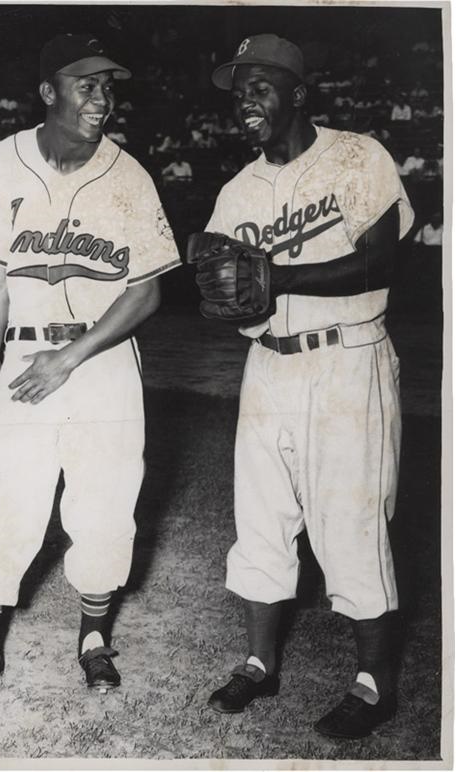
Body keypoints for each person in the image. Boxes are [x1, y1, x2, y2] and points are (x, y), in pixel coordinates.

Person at [0, 33, 181, 692]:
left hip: (103, 358)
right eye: (87, 85)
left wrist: (71, 358)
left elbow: (147, 290)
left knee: (106, 505)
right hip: (26, 357)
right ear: (48, 91)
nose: (103, 99)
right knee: (2, 500)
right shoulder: (0, 165)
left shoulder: (129, 174)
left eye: (109, 86)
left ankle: (93, 640)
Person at [197, 34, 414, 739]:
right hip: (269, 366)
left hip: (348, 361)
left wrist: (279, 277)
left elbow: (382, 263)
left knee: (350, 525)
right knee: (261, 520)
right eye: (238, 92)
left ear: (296, 91)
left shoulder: (357, 156)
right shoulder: (237, 192)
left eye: (259, 86)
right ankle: (260, 664)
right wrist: (225, 295)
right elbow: (221, 289)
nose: (245, 103)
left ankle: (374, 685)